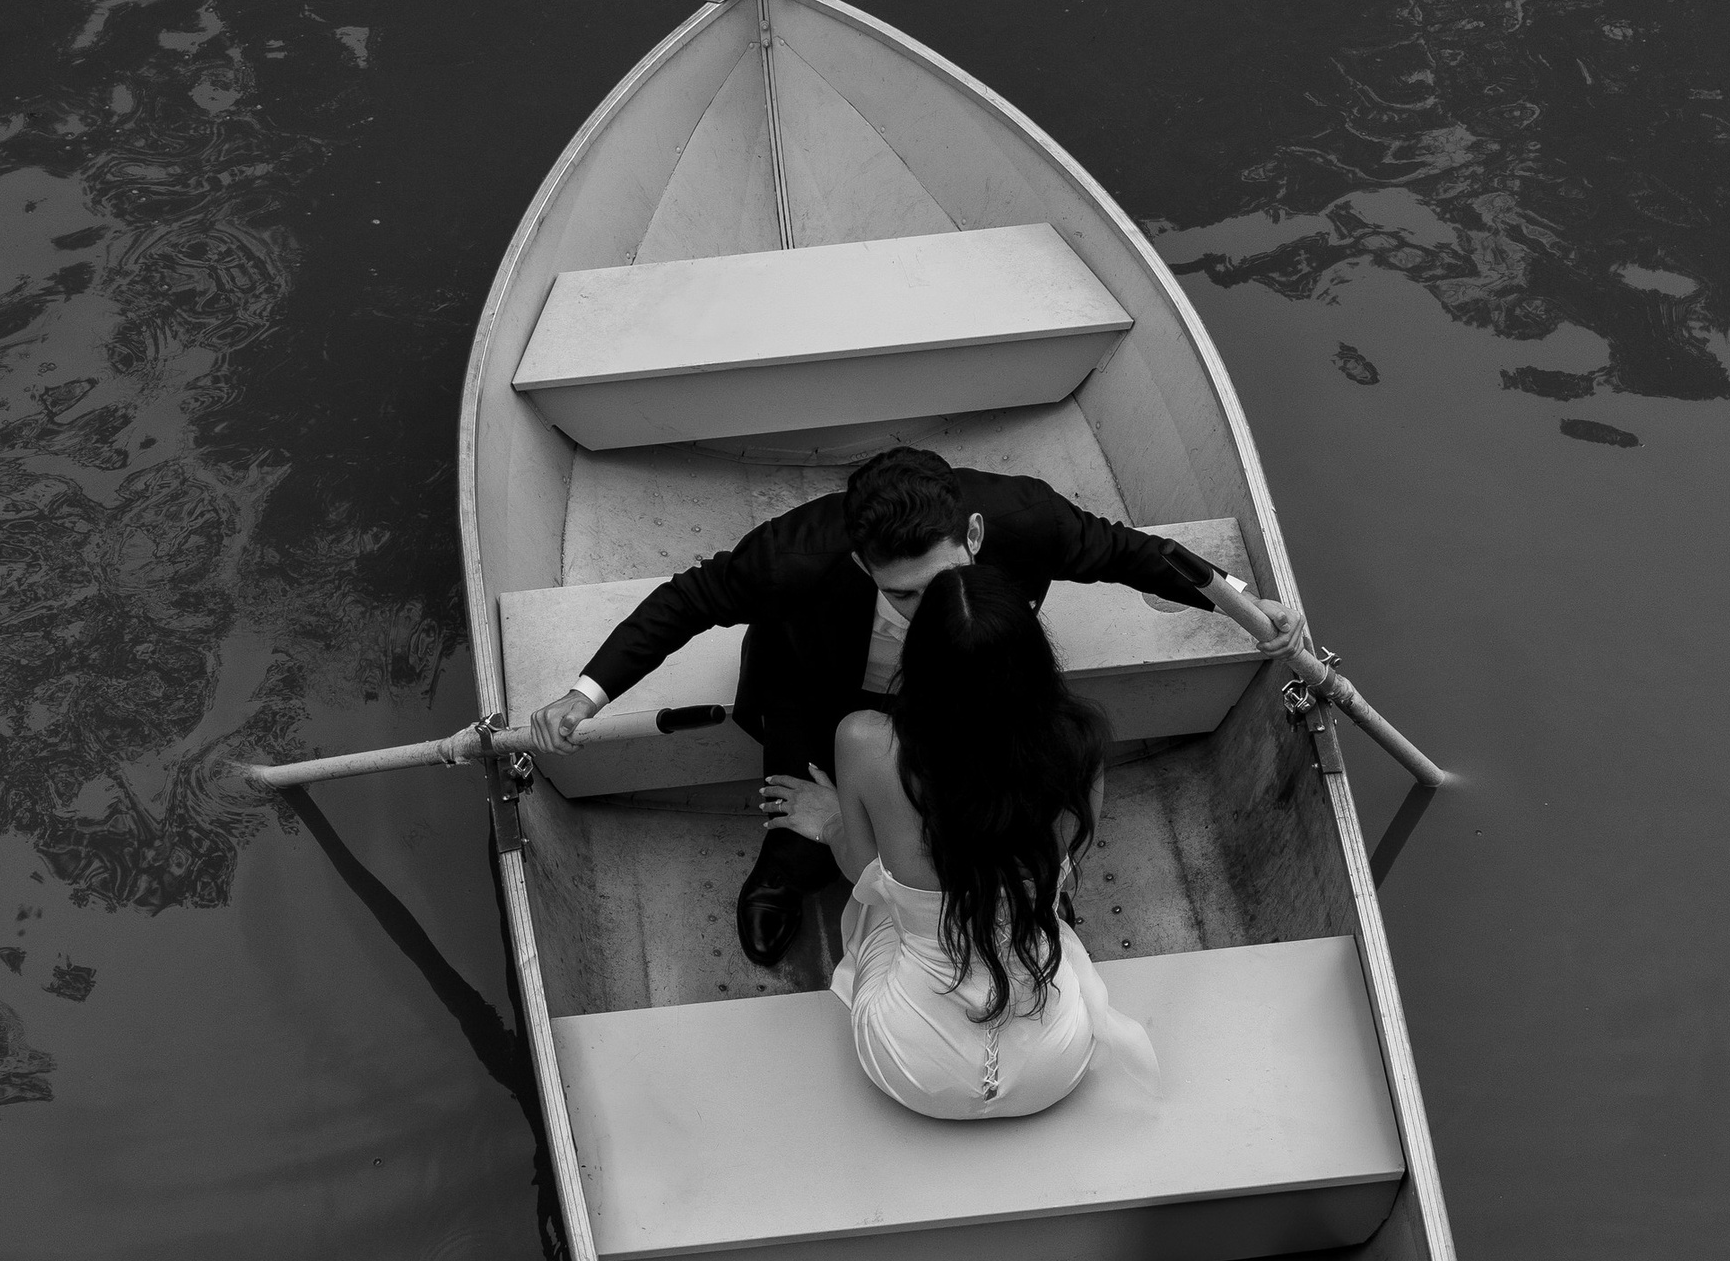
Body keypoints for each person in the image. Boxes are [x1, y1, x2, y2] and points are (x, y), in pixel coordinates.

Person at [523, 441, 1299, 965]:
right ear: (862, 563)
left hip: (978, 680)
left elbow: (1138, 554)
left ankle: (1026, 888)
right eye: (901, 594)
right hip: (826, 691)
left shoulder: (1029, 519)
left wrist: (1245, 606)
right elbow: (686, 601)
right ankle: (789, 865)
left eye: (940, 583)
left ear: (975, 534)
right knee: (801, 797)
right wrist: (584, 696)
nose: (929, 616)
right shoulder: (794, 555)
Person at [763, 562, 1158, 1121]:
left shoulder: (864, 740)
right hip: (1055, 1066)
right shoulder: (1080, 743)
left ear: (919, 660)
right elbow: (1067, 862)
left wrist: (830, 822)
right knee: (1034, 903)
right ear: (1034, 656)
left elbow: (862, 872)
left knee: (881, 906)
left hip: (912, 1069)